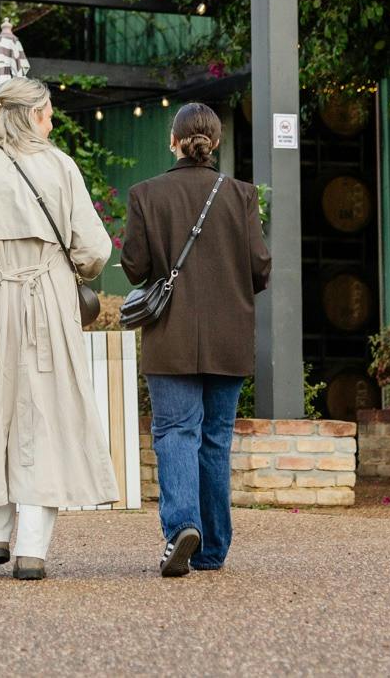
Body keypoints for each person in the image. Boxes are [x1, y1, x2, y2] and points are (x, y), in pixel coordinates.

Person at [0, 76, 119, 581]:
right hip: (50, 304)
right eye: (47, 112)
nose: (53, 119)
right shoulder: (62, 167)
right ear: (29, 115)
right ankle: (32, 549)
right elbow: (95, 250)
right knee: (47, 415)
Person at [120, 102, 270, 578]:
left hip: (170, 337)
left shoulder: (146, 194)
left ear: (173, 141)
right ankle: (212, 550)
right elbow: (260, 268)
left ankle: (182, 527)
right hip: (229, 337)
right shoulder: (241, 195)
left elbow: (137, 268)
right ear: (215, 143)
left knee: (175, 433)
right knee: (215, 438)